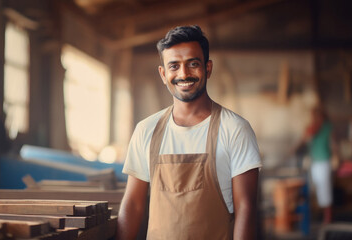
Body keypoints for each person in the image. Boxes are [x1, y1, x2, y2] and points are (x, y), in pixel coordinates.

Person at [116, 25, 262, 240]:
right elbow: (134, 204)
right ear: (163, 74)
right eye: (174, 66)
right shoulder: (146, 130)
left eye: (193, 64)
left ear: (208, 68)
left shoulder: (235, 129)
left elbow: (246, 210)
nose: (183, 74)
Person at [295, 106, 335, 224]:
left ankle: (327, 218)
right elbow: (302, 140)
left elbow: (333, 144)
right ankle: (317, 217)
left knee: (325, 189)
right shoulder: (310, 128)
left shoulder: (327, 127)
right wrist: (293, 149)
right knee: (316, 189)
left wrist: (338, 157)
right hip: (314, 162)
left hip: (324, 161)